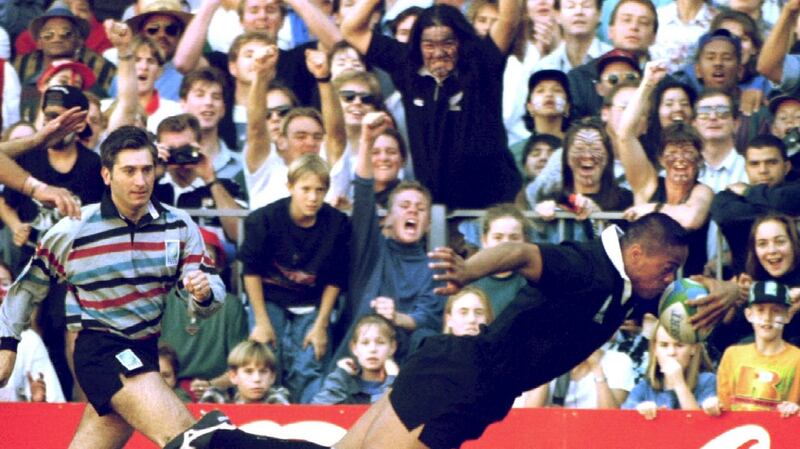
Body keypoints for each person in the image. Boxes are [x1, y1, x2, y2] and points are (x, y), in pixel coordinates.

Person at [198, 212, 707, 449]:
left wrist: (729, 292)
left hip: (467, 380)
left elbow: (694, 291)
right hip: (461, 380)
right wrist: (469, 270)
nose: (671, 280)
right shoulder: (588, 267)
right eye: (668, 268)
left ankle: (218, 440)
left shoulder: (628, 282)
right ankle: (220, 441)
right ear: (636, 253)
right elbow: (521, 252)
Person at [0, 125, 232, 449]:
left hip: (145, 349)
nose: (141, 181)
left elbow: (207, 290)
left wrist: (204, 294)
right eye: (129, 171)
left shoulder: (179, 225)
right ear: (107, 175)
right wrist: (7, 345)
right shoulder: (74, 229)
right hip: (99, 349)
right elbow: (27, 287)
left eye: (147, 170)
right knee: (188, 436)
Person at [342, 1, 523, 209]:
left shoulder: (482, 63)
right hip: (434, 207)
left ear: (461, 42)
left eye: (448, 44)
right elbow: (351, 29)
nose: (438, 53)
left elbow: (509, 19)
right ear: (418, 45)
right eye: (429, 45)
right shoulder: (406, 65)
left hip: (493, 205)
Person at [239, 153, 351, 402]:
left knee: (310, 364)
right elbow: (250, 270)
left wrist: (321, 325)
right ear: (290, 187)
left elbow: (336, 278)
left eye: (319, 190)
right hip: (270, 299)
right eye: (305, 189)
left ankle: (309, 415)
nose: (312, 197)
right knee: (267, 360)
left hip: (312, 302)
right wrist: (261, 321)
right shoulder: (264, 219)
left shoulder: (337, 224)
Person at [617, 61, 712, 275]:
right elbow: (625, 134)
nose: (680, 160)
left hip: (686, 284)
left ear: (699, 160)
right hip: (643, 280)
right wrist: (647, 84)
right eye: (672, 153)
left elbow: (690, 219)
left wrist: (651, 209)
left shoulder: (702, 191)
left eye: (687, 153)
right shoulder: (647, 185)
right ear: (661, 159)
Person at [533, 117, 634, 243]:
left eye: (596, 149)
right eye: (579, 149)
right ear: (566, 157)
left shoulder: (625, 199)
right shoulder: (553, 197)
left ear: (608, 158)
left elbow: (628, 246)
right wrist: (539, 217)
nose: (587, 156)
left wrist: (597, 217)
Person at [710, 135, 800, 274]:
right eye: (754, 164)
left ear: (786, 167)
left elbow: (787, 199)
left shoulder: (795, 190)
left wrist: (748, 191)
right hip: (747, 283)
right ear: (746, 168)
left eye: (771, 162)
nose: (763, 170)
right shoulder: (728, 197)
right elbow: (725, 215)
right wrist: (781, 209)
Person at [714, 280, 800, 416]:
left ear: (788, 316)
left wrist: (796, 409)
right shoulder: (732, 355)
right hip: (738, 429)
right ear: (749, 315)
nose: (767, 317)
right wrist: (713, 407)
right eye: (760, 310)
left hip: (782, 429)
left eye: (776, 310)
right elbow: (723, 407)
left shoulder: (797, 359)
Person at [621, 323, 717, 419]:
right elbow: (624, 419)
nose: (671, 352)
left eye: (679, 345)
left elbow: (697, 423)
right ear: (655, 349)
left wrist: (679, 384)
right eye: (664, 345)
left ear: (693, 348)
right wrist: (640, 411)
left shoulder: (708, 381)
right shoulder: (644, 387)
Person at [311, 314, 397, 405]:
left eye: (380, 342)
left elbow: (383, 411)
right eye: (365, 343)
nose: (372, 349)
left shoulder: (399, 383)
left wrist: (393, 382)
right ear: (354, 348)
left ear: (392, 347)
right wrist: (341, 374)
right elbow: (317, 409)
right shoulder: (345, 385)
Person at [467, 204, 531, 316]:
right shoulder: (470, 281)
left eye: (514, 238)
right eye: (498, 237)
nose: (505, 243)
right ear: (484, 241)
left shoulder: (533, 282)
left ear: (525, 241)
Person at [200, 340, 291, 405]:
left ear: (272, 377)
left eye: (263, 372)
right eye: (249, 372)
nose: (257, 379)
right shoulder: (216, 396)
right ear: (233, 376)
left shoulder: (277, 397)